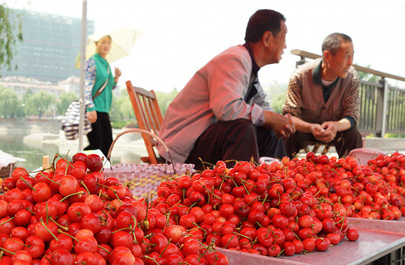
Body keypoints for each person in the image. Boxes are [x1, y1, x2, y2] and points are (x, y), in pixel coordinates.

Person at [156, 9, 295, 169]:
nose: (285, 46)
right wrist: (269, 118)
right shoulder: (234, 59)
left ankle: (281, 184)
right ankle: (244, 190)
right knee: (241, 129)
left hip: (203, 141)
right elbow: (227, 109)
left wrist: (280, 122)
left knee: (268, 129)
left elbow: (263, 108)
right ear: (267, 38)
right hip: (184, 149)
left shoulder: (250, 71)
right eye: (284, 38)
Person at [282, 32, 363, 158]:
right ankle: (279, 170)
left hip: (335, 132)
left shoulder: (352, 78)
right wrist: (310, 127)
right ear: (327, 55)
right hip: (304, 130)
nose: (350, 62)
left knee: (353, 134)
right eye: (346, 56)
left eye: (352, 55)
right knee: (287, 131)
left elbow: (351, 116)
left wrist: (336, 126)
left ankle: (351, 173)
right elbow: (290, 115)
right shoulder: (299, 76)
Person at [84, 35, 122, 157]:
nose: (106, 45)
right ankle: (79, 165)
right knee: (96, 145)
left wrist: (116, 78)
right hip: (94, 109)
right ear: (96, 44)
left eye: (108, 43)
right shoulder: (92, 61)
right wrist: (90, 108)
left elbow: (109, 87)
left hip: (104, 110)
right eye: (103, 42)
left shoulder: (106, 64)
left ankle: (104, 173)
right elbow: (86, 85)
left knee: (108, 145)